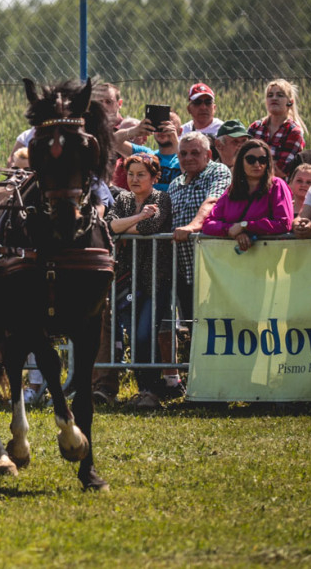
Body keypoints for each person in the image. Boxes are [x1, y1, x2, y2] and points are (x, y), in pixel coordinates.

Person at [104, 153, 181, 408]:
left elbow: (153, 228)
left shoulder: (162, 198)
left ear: (154, 177)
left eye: (141, 174)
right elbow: (108, 227)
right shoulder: (124, 199)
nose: (134, 179)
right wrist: (138, 218)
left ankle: (150, 390)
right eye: (131, 174)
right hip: (125, 281)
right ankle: (143, 390)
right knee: (131, 333)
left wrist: (128, 226)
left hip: (154, 280)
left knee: (145, 332)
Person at [168, 132, 232, 322]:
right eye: (184, 153)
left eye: (195, 153)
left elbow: (213, 201)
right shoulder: (174, 184)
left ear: (208, 154)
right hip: (183, 271)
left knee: (217, 324)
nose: (188, 158)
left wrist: (192, 227)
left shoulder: (218, 171)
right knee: (191, 325)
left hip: (213, 268)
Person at [202, 140, 294, 253]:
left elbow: (284, 223)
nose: (257, 164)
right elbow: (208, 224)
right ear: (241, 162)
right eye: (251, 160)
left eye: (262, 160)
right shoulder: (232, 190)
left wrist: (245, 226)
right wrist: (231, 230)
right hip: (232, 262)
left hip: (270, 257)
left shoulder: (277, 186)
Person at [248, 79, 307, 178]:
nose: (274, 98)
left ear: (290, 102)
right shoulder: (255, 127)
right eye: (270, 95)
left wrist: (254, 164)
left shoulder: (294, 131)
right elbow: (242, 161)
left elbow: (283, 170)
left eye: (280, 95)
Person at [115, 112, 182, 191]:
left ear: (179, 131)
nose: (162, 130)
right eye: (159, 125)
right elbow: (112, 141)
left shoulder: (187, 157)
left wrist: (176, 142)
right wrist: (134, 130)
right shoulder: (145, 155)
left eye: (169, 125)